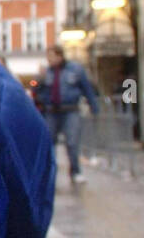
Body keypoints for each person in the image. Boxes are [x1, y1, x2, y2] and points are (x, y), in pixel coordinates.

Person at [35, 44, 99, 184]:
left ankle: (75, 172)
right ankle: (50, 174)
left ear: (59, 56)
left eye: (50, 56)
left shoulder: (75, 70)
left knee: (72, 142)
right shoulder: (47, 72)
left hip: (70, 110)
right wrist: (39, 81)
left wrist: (94, 106)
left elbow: (86, 88)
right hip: (51, 111)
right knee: (49, 143)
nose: (48, 60)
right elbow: (38, 90)